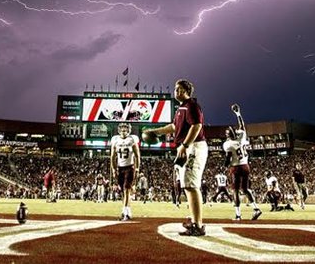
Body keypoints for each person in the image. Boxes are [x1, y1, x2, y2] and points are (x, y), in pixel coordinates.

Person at [143, 78, 208, 237]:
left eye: (178, 89)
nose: (175, 91)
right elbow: (173, 127)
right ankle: (194, 220)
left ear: (185, 91)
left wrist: (185, 146)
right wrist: (156, 132)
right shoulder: (182, 108)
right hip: (187, 146)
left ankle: (198, 225)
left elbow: (197, 126)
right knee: (187, 185)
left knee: (191, 185)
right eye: (175, 89)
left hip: (193, 146)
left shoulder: (191, 105)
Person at [223, 103, 262, 221]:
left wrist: (225, 165)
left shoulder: (228, 144)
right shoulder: (241, 136)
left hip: (236, 167)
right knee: (245, 189)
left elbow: (228, 158)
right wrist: (238, 114)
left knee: (235, 191)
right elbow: (242, 126)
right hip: (245, 165)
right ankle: (256, 208)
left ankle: (238, 215)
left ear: (228, 135)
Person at [110, 122, 140, 221]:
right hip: (120, 168)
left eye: (125, 129)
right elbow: (112, 157)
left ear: (129, 130)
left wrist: (137, 168)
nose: (123, 131)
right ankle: (128, 211)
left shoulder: (132, 140)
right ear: (119, 130)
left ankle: (124, 212)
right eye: (122, 129)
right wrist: (114, 169)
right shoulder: (115, 140)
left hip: (129, 167)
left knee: (127, 189)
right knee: (123, 191)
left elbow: (137, 155)